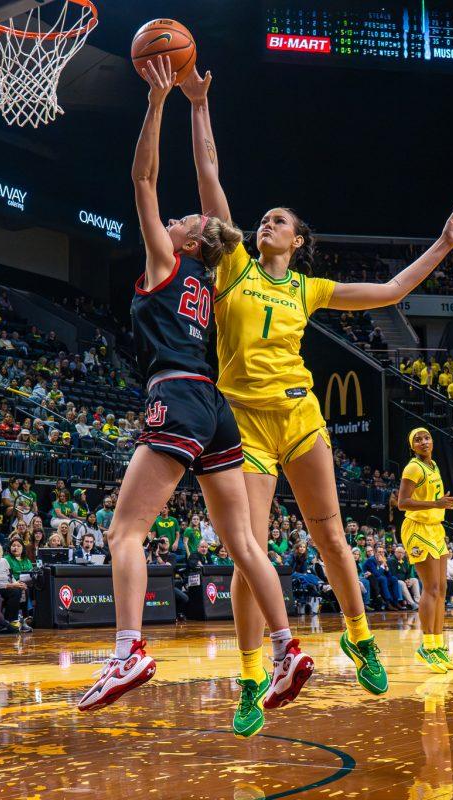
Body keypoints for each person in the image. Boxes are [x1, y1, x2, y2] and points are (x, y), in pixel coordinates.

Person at [182, 65, 453, 702]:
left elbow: (394, 291)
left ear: (298, 241)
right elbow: (211, 179)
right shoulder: (233, 264)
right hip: (242, 420)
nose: (267, 222)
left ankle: (359, 636)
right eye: (264, 218)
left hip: (298, 415)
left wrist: (445, 242)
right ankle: (248, 674)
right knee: (249, 550)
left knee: (331, 536)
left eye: (280, 220)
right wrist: (200, 104)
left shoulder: (309, 287)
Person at [77, 58, 313, 741]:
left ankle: (127, 652)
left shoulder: (166, 260)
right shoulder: (210, 284)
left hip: (176, 395)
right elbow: (204, 192)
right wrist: (199, 107)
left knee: (125, 533)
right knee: (244, 542)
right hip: (216, 407)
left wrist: (157, 102)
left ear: (184, 240)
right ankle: (287, 648)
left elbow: (143, 178)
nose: (174, 217)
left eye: (181, 220)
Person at [395, 427, 453, 672]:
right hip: (417, 528)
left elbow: (435, 499)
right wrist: (436, 504)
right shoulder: (413, 467)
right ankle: (426, 646)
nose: (424, 442)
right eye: (418, 440)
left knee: (442, 589)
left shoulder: (434, 466)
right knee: (430, 588)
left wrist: (441, 506)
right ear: (412, 446)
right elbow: (402, 503)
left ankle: (439, 646)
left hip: (435, 528)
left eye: (427, 438)